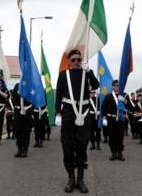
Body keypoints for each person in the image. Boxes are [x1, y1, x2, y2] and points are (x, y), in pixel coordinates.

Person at [55, 49, 99, 193]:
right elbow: (58, 96)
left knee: (82, 146)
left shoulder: (86, 73)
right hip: (68, 113)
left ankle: (80, 179)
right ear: (69, 61)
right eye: (73, 60)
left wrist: (90, 71)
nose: (76, 62)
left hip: (84, 113)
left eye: (78, 60)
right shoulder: (63, 75)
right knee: (67, 146)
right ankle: (71, 178)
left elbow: (96, 85)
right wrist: (57, 113)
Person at [102, 80, 126, 161]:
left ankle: (120, 153)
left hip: (120, 118)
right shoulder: (108, 96)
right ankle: (113, 153)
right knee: (112, 137)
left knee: (120, 136)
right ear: (112, 86)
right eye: (115, 85)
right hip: (111, 119)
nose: (116, 86)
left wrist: (123, 100)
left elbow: (129, 106)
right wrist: (104, 117)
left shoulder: (123, 95)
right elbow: (103, 108)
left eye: (118, 85)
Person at [11, 83, 34, 158]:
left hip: (27, 110)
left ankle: (25, 150)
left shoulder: (30, 85)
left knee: (26, 131)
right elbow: (13, 95)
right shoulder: (17, 85)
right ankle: (19, 149)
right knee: (17, 131)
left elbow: (33, 97)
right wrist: (18, 92)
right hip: (18, 110)